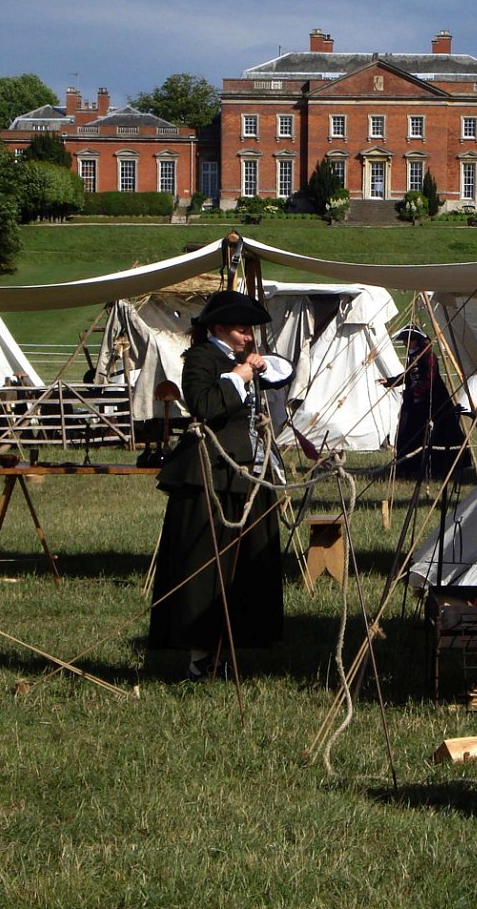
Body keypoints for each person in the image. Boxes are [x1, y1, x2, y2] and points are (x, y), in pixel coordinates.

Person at [149, 290, 294, 680]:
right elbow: (205, 405)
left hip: (247, 475)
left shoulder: (238, 359)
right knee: (206, 568)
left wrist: (256, 369)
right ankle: (200, 654)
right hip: (211, 476)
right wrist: (239, 377)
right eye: (241, 329)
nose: (248, 336)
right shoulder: (200, 359)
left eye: (250, 329)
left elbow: (283, 377)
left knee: (247, 566)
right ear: (218, 328)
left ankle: (229, 648)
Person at [379, 327, 467, 483]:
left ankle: (441, 468)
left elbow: (429, 380)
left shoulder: (429, 356)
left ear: (416, 341)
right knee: (408, 434)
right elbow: (408, 376)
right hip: (415, 403)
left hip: (433, 402)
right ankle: (408, 468)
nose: (406, 344)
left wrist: (415, 393)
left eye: (408, 340)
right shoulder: (413, 356)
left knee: (440, 434)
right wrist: (390, 382)